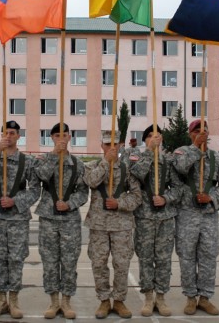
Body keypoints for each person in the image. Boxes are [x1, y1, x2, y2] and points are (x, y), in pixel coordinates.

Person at [0, 120, 40, 320]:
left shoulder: (27, 161)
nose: (9, 136)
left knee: (16, 258)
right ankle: (0, 299)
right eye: (6, 133)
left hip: (18, 217)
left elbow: (35, 190)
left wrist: (15, 200)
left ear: (19, 136)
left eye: (13, 133)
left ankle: (13, 300)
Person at [172, 120, 219, 316]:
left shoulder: (217, 159)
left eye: (204, 131)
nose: (201, 133)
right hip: (187, 214)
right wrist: (197, 148)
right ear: (190, 134)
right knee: (187, 256)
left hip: (208, 215)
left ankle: (205, 297)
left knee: (208, 256)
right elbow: (180, 168)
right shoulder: (182, 152)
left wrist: (211, 198)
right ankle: (190, 296)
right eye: (197, 131)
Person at [33, 122, 88, 320]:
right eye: (57, 136)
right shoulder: (42, 160)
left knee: (69, 261)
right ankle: (53, 300)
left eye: (64, 135)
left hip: (70, 219)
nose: (61, 139)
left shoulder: (78, 164)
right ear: (52, 138)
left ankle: (66, 301)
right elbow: (41, 176)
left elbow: (83, 192)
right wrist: (55, 155)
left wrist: (71, 203)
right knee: (49, 260)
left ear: (70, 137)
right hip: (48, 217)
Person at [84, 130, 142, 319]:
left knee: (121, 263)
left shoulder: (128, 169)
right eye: (107, 144)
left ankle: (118, 300)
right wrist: (105, 163)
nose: (111, 147)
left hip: (122, 224)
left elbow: (136, 197)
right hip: (99, 224)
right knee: (99, 263)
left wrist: (120, 203)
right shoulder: (92, 166)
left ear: (120, 146)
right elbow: (91, 182)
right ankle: (103, 300)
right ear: (102, 146)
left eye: (114, 144)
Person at [129, 125, 180, 317]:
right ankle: (148, 297)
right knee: (145, 258)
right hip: (144, 217)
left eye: (157, 136)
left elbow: (178, 188)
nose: (154, 138)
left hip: (165, 217)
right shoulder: (136, 158)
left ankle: (161, 296)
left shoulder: (169, 160)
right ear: (144, 140)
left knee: (164, 259)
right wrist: (150, 152)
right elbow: (136, 175)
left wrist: (166, 198)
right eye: (150, 136)